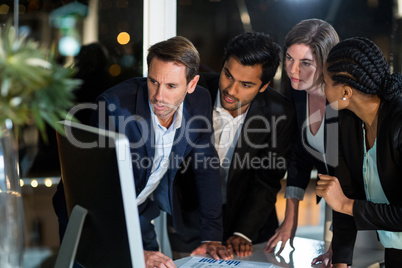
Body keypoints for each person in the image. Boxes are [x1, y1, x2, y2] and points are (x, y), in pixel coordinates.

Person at [53, 36, 233, 267]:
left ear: (191, 84)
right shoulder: (113, 107)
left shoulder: (199, 101)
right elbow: (99, 191)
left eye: (171, 86)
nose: (158, 96)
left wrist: (211, 237)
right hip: (91, 215)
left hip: (139, 209)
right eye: (153, 81)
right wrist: (134, 252)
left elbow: (206, 167)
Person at [167, 32, 297, 258]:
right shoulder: (192, 94)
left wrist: (243, 233)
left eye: (246, 84)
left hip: (250, 228)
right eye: (228, 75)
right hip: (191, 225)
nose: (231, 90)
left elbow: (267, 180)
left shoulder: (280, 112)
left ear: (263, 86)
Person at [316, 37, 402, 267]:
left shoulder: (399, 121)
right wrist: (341, 261)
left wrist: (346, 205)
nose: (322, 89)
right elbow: (345, 191)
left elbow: (343, 202)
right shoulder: (342, 121)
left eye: (325, 81)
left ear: (345, 91)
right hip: (394, 250)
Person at [264, 19, 340, 253]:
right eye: (289, 58)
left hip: (365, 202)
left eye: (305, 63)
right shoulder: (299, 93)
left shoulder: (344, 100)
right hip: (333, 198)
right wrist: (290, 218)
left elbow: (354, 171)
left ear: (326, 63)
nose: (293, 70)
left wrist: (339, 245)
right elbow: (298, 156)